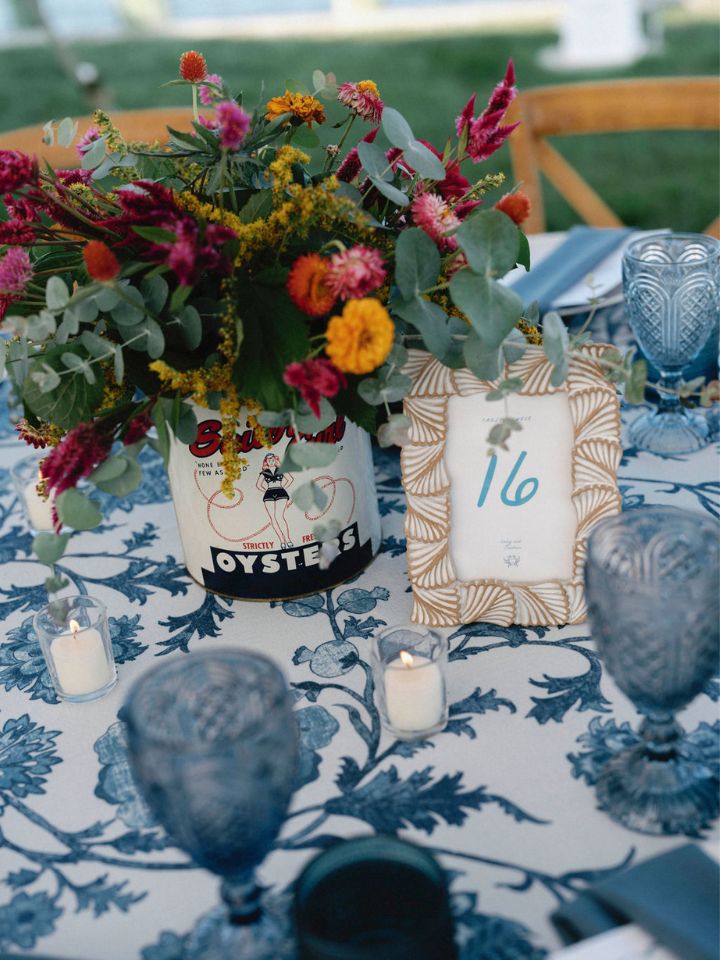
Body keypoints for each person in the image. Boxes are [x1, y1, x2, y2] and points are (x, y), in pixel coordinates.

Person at [256, 452, 294, 548]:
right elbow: (258, 485)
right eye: (269, 460)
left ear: (275, 460)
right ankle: (282, 541)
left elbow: (290, 479)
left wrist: (283, 488)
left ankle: (288, 539)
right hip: (269, 494)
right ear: (266, 462)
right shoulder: (264, 473)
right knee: (273, 518)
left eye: (272, 459)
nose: (271, 461)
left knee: (279, 516)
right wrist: (266, 490)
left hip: (281, 492)